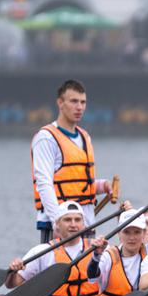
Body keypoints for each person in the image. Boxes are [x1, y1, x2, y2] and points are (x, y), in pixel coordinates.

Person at [31, 79, 111, 242]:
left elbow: (77, 183)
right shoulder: (46, 138)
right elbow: (44, 183)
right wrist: (58, 223)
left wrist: (102, 186)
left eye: (83, 102)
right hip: (60, 226)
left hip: (86, 224)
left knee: (86, 268)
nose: (79, 107)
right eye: (74, 101)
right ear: (60, 103)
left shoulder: (85, 136)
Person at [6, 200, 107, 296]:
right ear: (57, 225)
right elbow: (11, 284)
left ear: (84, 225)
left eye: (77, 220)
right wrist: (13, 271)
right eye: (67, 220)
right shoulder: (42, 252)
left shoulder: (97, 248)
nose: (73, 224)